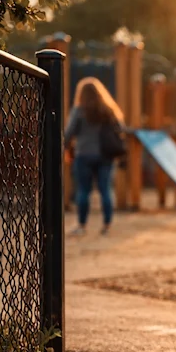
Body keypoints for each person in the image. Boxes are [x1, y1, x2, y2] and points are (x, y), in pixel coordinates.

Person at [64, 77, 124, 236]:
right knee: (105, 189)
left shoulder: (79, 110)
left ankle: (82, 226)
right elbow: (120, 129)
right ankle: (107, 226)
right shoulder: (108, 110)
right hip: (105, 155)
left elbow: (69, 133)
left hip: (83, 154)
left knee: (83, 191)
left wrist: (66, 148)